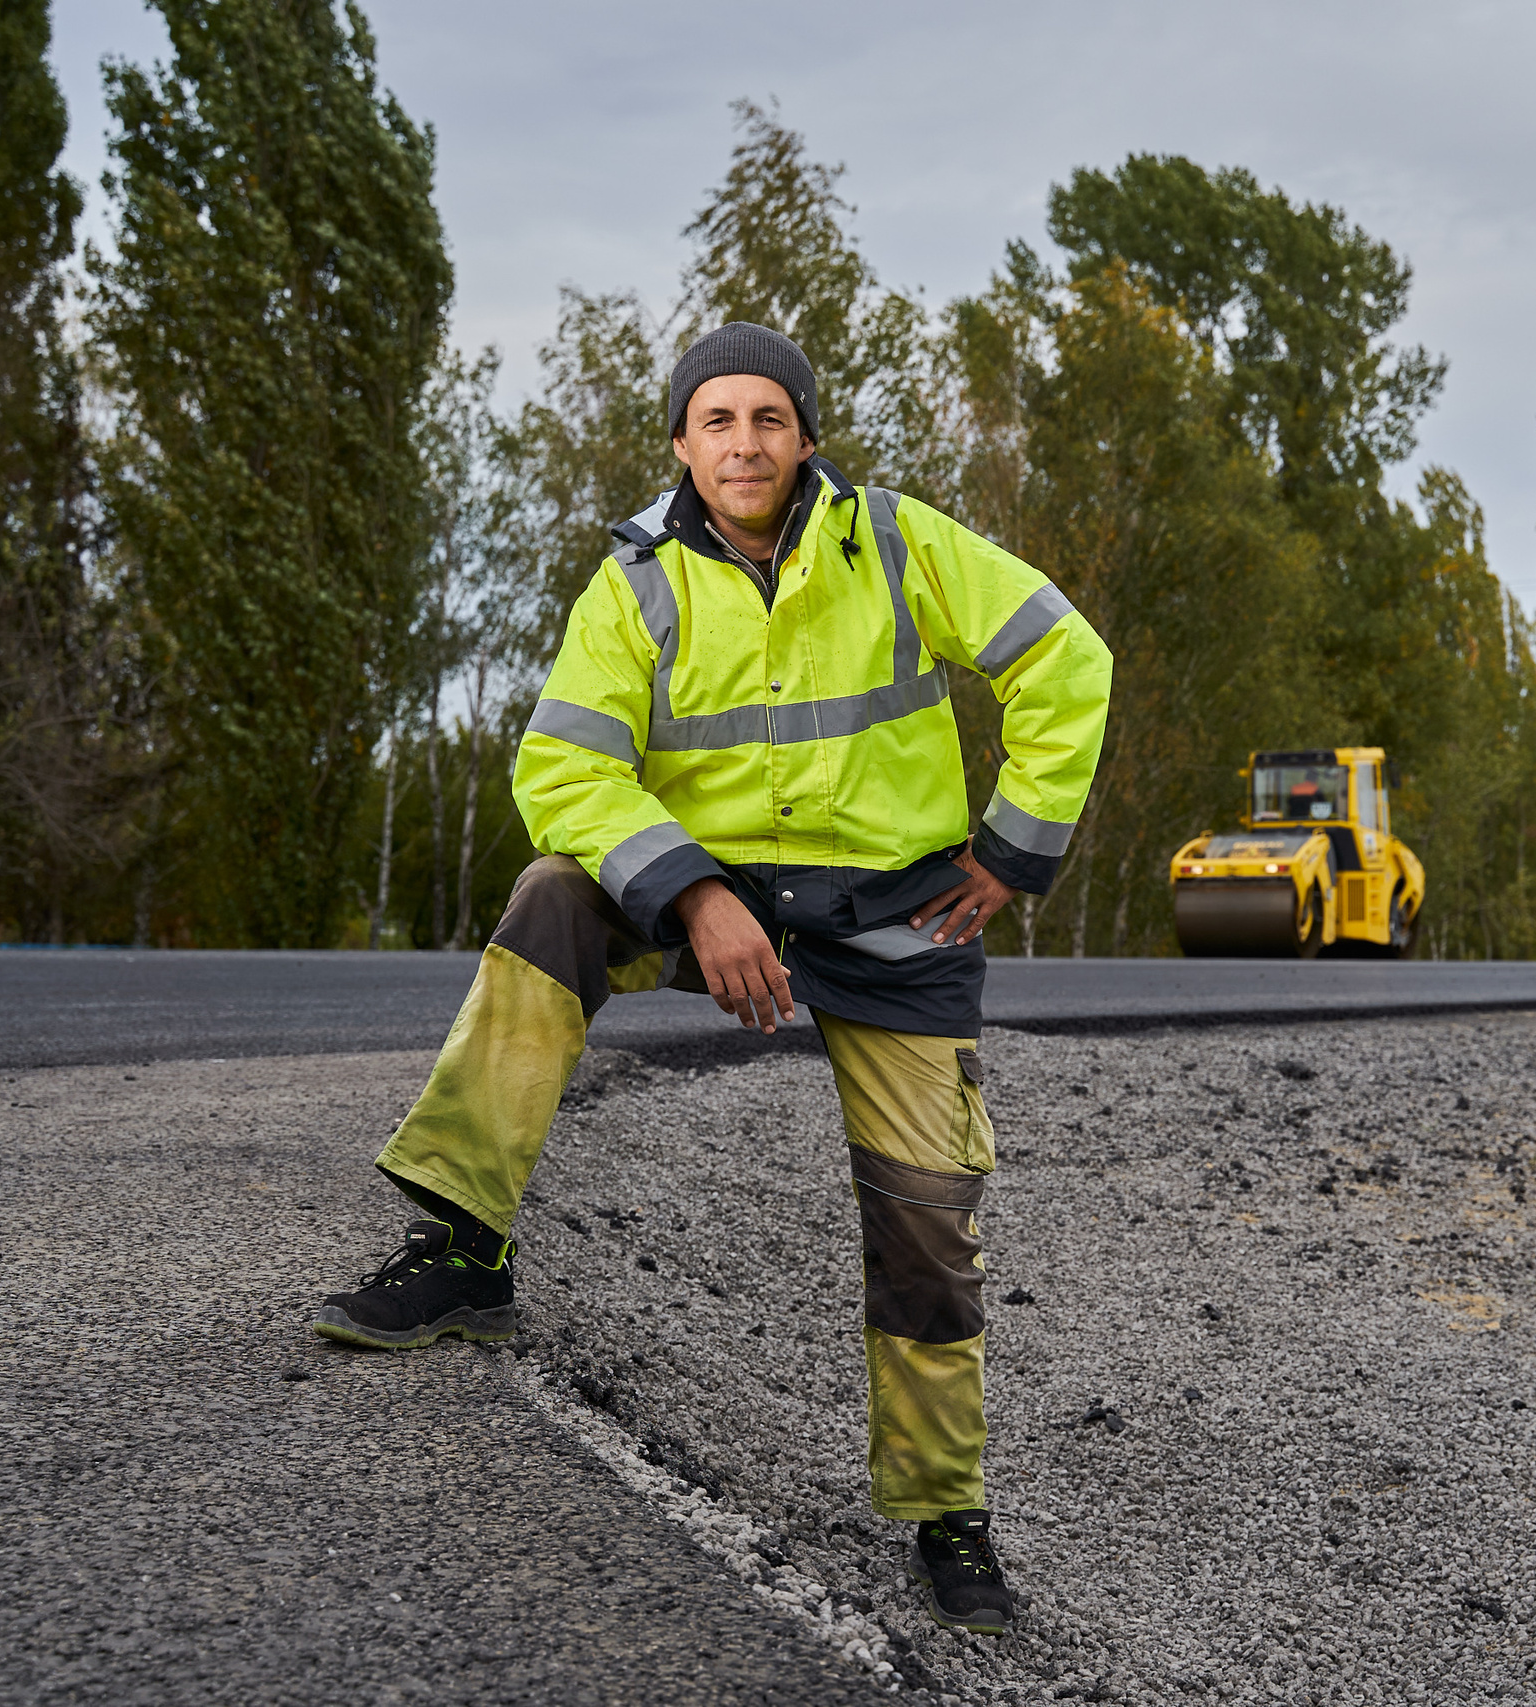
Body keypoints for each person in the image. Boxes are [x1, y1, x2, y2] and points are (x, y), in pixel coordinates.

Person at [310, 323, 1114, 1636]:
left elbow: (1067, 660)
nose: (745, 444)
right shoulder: (633, 588)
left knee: (927, 1220)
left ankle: (945, 1510)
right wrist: (691, 892)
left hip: (895, 917)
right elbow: (564, 771)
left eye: (768, 419)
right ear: (682, 442)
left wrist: (1013, 852)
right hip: (712, 898)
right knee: (551, 900)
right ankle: (467, 1248)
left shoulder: (902, 543)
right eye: (718, 421)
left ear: (805, 434)